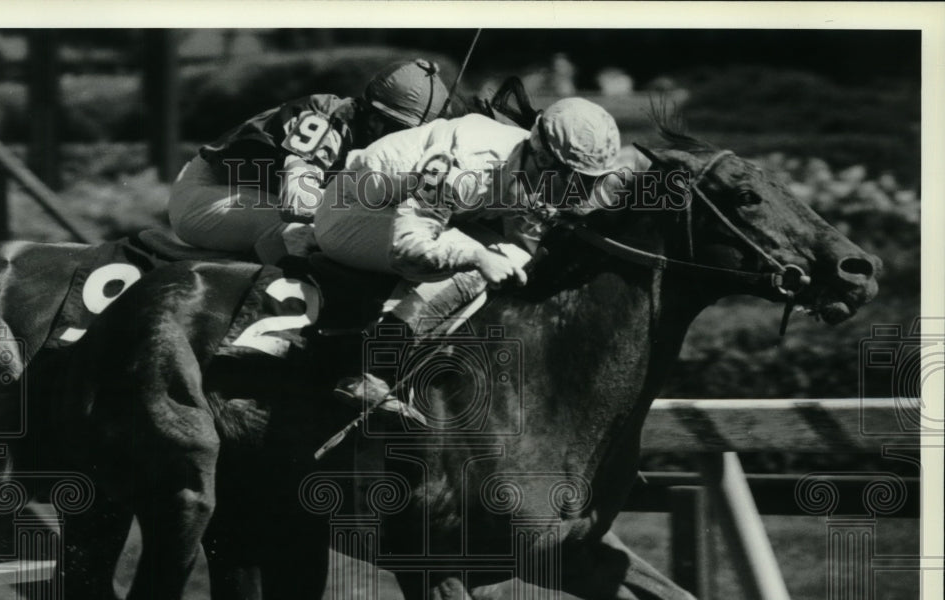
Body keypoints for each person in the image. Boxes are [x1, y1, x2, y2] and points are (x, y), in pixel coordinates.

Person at [311, 97, 646, 416]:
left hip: (405, 210)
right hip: (349, 213)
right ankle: (372, 369)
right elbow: (406, 247)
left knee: (514, 260)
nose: (578, 192)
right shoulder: (466, 165)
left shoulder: (528, 159)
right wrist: (476, 258)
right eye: (576, 181)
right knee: (475, 265)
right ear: (545, 160)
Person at [167, 59, 451, 264]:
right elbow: (297, 203)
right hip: (206, 194)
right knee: (305, 234)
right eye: (401, 131)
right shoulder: (324, 118)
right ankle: (267, 328)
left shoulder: (376, 137)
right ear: (375, 117)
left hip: (258, 196)